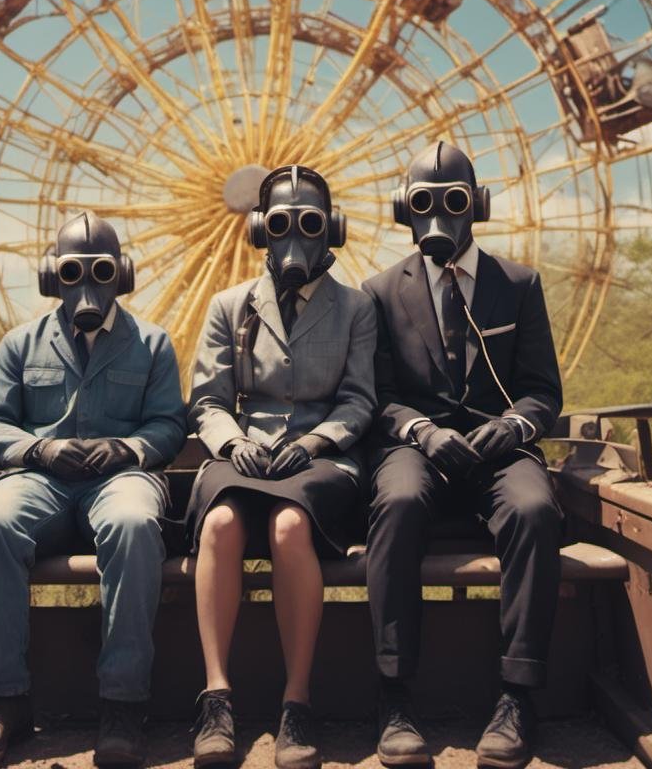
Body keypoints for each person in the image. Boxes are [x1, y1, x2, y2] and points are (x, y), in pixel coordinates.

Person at [0, 212, 186, 767]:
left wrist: (128, 449)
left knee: (133, 525)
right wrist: (38, 450)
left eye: (102, 271)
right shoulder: (20, 343)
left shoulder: (151, 345)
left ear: (122, 275)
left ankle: (123, 704)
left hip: (121, 479)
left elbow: (171, 424)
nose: (88, 285)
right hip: (41, 480)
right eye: (74, 271)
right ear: (51, 275)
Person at [361, 142, 563, 769]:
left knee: (534, 510)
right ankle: (394, 694)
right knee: (394, 502)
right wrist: (421, 431)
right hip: (418, 449)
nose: (439, 217)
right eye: (423, 204)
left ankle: (518, 694)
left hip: (497, 451)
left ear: (477, 206)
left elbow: (543, 391)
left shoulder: (519, 285)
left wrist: (515, 427)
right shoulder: (378, 292)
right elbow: (380, 398)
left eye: (453, 202)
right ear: (404, 210)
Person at [185, 165, 377, 769]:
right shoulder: (228, 305)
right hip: (247, 453)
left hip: (321, 461)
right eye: (280, 222)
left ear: (333, 229)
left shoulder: (356, 308)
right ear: (259, 229)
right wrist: (232, 441)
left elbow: (360, 400)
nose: (295, 236)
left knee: (291, 528)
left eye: (310, 221)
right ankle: (216, 697)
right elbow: (208, 399)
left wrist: (320, 440)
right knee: (219, 527)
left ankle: (297, 704)